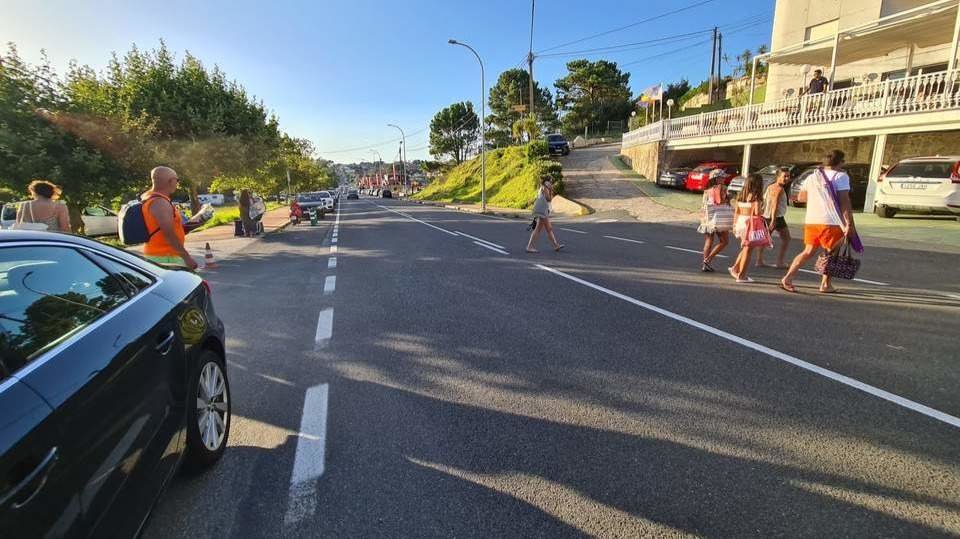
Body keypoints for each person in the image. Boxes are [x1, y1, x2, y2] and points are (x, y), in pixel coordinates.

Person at [780, 150, 858, 294]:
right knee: (831, 253)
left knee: (807, 251)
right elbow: (844, 201)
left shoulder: (812, 176)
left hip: (812, 220)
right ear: (840, 162)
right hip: (831, 221)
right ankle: (825, 284)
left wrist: (819, 197)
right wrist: (849, 223)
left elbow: (801, 197)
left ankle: (788, 278)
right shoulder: (841, 176)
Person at [142, 166, 198, 269]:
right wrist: (187, 258)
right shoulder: (160, 202)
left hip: (157, 254)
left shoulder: (148, 197)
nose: (177, 183)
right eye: (177, 180)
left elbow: (158, 228)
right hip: (166, 257)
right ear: (171, 181)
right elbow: (169, 235)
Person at [729, 173, 764, 283]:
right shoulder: (756, 198)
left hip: (740, 222)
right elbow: (757, 213)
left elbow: (736, 212)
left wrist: (734, 225)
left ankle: (735, 268)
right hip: (750, 224)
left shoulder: (741, 195)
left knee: (745, 248)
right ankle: (742, 275)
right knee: (748, 250)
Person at [697, 169, 733, 272]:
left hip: (707, 217)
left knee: (709, 241)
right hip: (719, 218)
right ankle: (708, 260)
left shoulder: (707, 190)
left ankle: (705, 263)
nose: (724, 179)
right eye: (722, 177)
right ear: (717, 178)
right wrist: (729, 198)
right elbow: (720, 201)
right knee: (724, 241)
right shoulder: (721, 187)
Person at [757, 168, 791, 269]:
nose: (787, 178)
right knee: (786, 238)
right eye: (784, 176)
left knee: (765, 239)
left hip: (767, 215)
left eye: (788, 176)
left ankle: (759, 260)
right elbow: (774, 204)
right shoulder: (779, 189)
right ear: (778, 177)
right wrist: (773, 220)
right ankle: (779, 262)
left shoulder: (770, 186)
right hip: (776, 217)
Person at [526, 177, 564, 253]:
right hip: (543, 211)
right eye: (550, 181)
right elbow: (548, 198)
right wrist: (551, 190)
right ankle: (529, 247)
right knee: (547, 228)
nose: (551, 183)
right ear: (546, 181)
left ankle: (556, 246)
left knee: (544, 229)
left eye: (551, 182)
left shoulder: (542, 187)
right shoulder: (545, 188)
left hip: (542, 210)